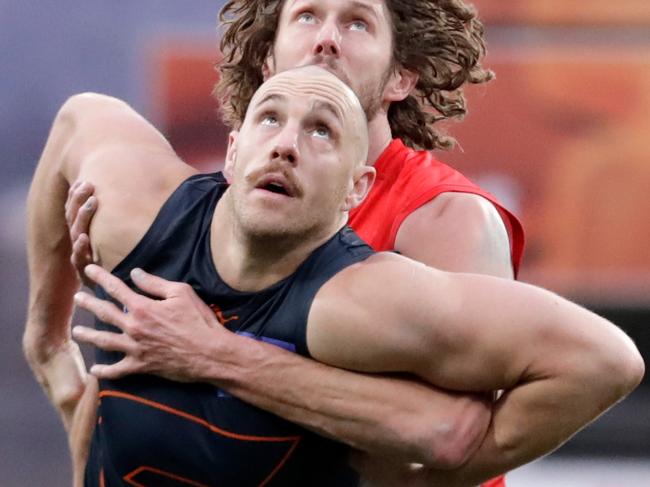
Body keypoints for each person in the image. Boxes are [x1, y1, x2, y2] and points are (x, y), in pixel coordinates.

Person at [25, 67, 644, 487]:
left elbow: (605, 361)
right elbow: (79, 118)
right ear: (234, 152)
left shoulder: (361, 302)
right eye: (270, 119)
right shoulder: (136, 214)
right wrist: (48, 348)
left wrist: (218, 355)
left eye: (321, 130)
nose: (286, 145)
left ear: (357, 188)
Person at [66, 2, 522, 485]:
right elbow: (72, 126)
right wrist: (63, 329)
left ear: (400, 78)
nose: (326, 39)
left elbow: (453, 438)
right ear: (269, 62)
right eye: (307, 16)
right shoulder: (228, 199)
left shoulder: (447, 217)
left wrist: (216, 353)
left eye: (357, 22)